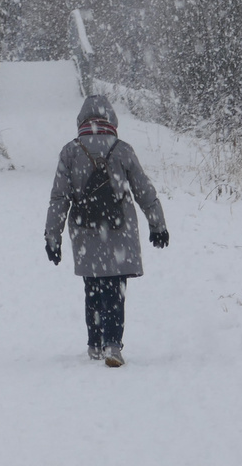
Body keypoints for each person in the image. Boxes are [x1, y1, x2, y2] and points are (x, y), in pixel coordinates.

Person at [44, 94, 168, 367]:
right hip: (118, 231)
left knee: (93, 287)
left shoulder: (71, 151)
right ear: (112, 119)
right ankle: (113, 344)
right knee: (115, 289)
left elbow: (59, 198)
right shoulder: (122, 150)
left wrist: (53, 237)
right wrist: (157, 224)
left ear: (81, 120)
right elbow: (143, 190)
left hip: (85, 231)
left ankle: (95, 344)